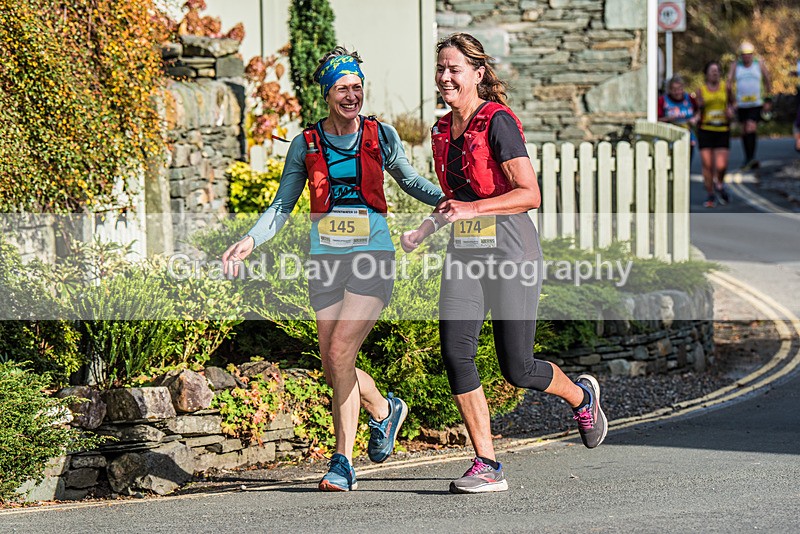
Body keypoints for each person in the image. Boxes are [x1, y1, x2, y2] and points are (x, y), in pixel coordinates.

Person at [222, 46, 445, 492]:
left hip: (372, 258)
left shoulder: (380, 135)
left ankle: (342, 461)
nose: (352, 95)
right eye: (343, 88)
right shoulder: (306, 144)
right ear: (328, 94)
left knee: (341, 352)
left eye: (357, 87)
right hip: (325, 263)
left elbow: (411, 180)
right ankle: (384, 410)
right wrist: (250, 239)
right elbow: (283, 204)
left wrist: (448, 201)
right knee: (333, 361)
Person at [400, 33, 607, 494]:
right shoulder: (439, 131)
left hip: (512, 250)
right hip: (466, 254)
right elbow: (457, 201)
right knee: (457, 354)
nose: (445, 76)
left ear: (477, 74)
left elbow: (529, 194)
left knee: (517, 366)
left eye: (454, 68)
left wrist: (472, 210)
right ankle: (487, 462)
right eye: (440, 69)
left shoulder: (499, 122)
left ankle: (580, 395)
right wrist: (423, 231)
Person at [727, 41, 772, 170]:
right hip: (741, 103)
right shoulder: (736, 66)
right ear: (740, 55)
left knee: (750, 127)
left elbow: (767, 79)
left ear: (752, 55)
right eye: (744, 55)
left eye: (749, 55)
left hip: (756, 103)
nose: (747, 57)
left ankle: (751, 157)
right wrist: (731, 100)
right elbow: (729, 82)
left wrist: (768, 99)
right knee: (744, 130)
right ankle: (748, 157)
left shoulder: (759, 64)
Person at [696, 61, 734, 208]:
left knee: (721, 165)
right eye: (712, 71)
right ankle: (710, 193)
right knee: (707, 165)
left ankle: (720, 184)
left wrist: (731, 111)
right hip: (706, 129)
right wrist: (698, 112)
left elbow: (733, 103)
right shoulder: (701, 90)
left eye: (717, 71)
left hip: (722, 129)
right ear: (706, 74)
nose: (715, 73)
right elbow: (697, 109)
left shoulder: (726, 88)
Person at [658, 75, 699, 161]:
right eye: (674, 89)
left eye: (680, 89)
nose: (677, 92)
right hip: (669, 138)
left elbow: (698, 111)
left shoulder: (690, 99)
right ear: (669, 89)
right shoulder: (663, 101)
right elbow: (657, 119)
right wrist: (669, 119)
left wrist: (694, 119)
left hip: (687, 137)